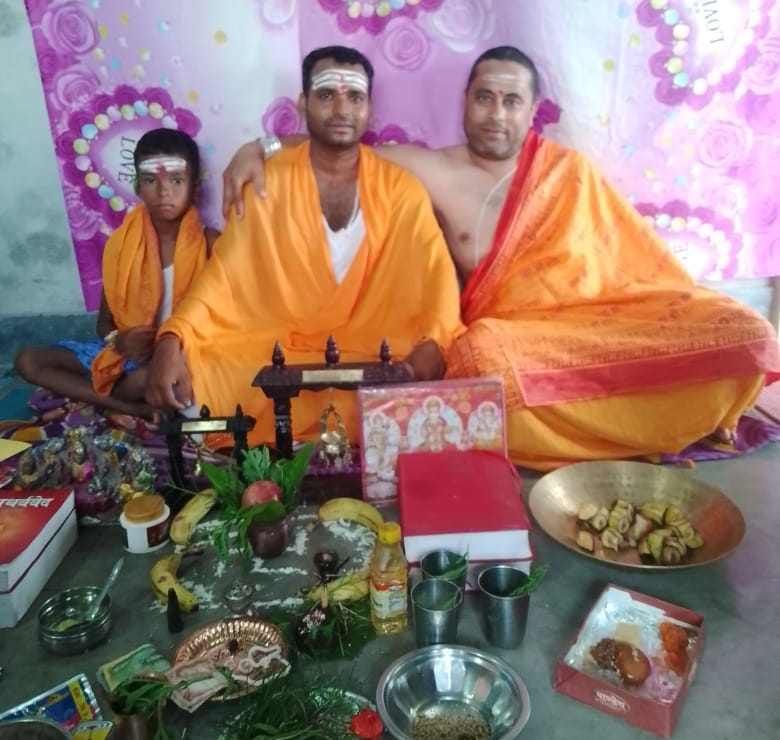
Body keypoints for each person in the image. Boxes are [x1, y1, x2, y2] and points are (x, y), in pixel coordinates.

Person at [223, 45, 779, 469]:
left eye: (511, 101)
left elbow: (635, 271)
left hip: (597, 328)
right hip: (514, 340)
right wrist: (257, 148)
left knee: (743, 328)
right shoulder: (432, 168)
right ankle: (631, 428)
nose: (496, 113)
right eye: (485, 97)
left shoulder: (569, 173)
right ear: (465, 101)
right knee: (481, 358)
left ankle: (644, 423)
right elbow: (337, 148)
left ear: (531, 111)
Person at [145, 46, 463, 448]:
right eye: (327, 95)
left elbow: (438, 283)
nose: (342, 109)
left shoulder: (401, 189)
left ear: (369, 109)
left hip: (371, 349)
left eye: (355, 97)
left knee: (432, 372)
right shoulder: (266, 183)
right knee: (196, 379)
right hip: (276, 345)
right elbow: (222, 279)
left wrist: (433, 344)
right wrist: (170, 340)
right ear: (303, 104)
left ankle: (302, 432)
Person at [14, 128, 218, 419]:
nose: (164, 192)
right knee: (28, 361)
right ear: (138, 186)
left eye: (176, 180)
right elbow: (104, 324)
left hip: (181, 357)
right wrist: (119, 341)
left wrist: (169, 346)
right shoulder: (122, 246)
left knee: (146, 380)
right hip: (129, 356)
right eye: (151, 180)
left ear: (194, 186)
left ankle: (120, 393)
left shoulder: (212, 244)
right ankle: (131, 406)